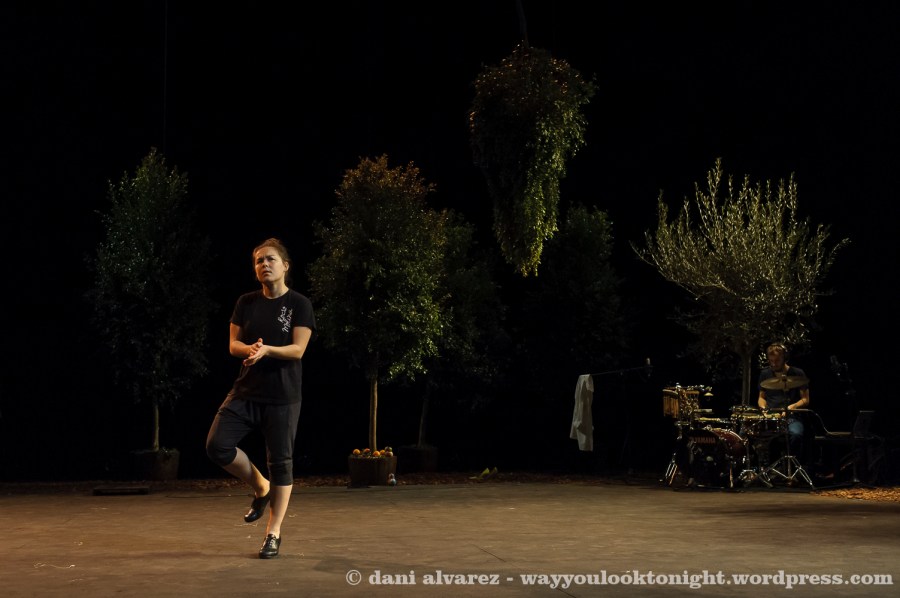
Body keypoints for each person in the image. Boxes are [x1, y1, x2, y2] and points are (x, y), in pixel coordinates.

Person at [206, 238, 316, 559]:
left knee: (281, 463)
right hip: (245, 392)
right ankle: (260, 486)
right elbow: (233, 345)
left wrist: (267, 349)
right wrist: (251, 348)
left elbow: (298, 350)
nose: (264, 264)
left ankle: (273, 532)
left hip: (283, 396)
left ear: (285, 266)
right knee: (217, 445)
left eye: (270, 259)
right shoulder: (246, 302)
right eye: (258, 261)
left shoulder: (299, 304)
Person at [757, 342, 809, 462]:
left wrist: (792, 407)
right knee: (749, 433)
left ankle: (793, 465)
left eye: (777, 360)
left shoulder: (798, 373)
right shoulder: (765, 374)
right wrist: (763, 408)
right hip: (771, 416)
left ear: (785, 358)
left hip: (792, 416)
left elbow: (805, 399)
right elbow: (761, 397)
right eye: (771, 361)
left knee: (796, 435)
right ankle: (768, 466)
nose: (773, 364)